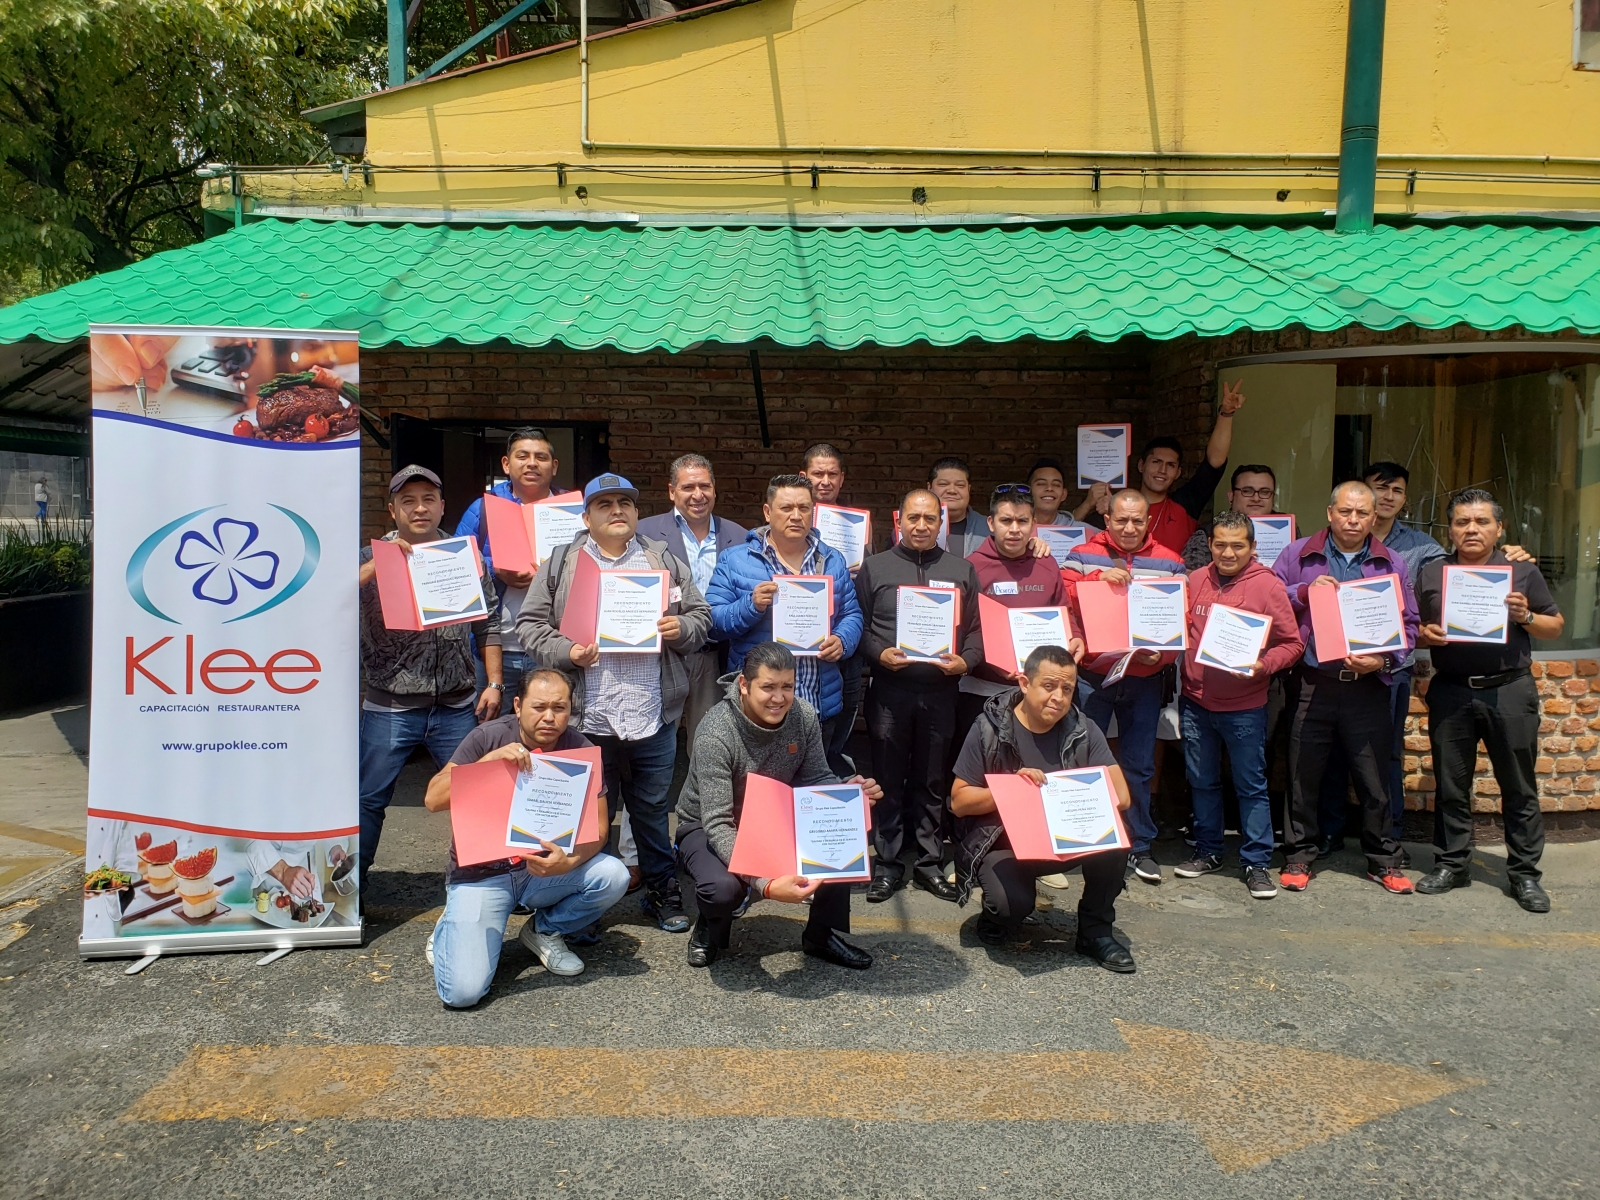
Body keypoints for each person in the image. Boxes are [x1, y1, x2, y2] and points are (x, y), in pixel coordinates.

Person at [516, 472, 713, 933]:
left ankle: (661, 890)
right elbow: (529, 625)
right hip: (589, 717)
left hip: (651, 713)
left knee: (651, 812)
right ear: (586, 517)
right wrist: (567, 651)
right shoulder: (562, 563)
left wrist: (681, 629)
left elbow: (701, 615)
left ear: (637, 512)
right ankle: (589, 902)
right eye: (604, 504)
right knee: (589, 817)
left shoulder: (662, 559)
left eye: (625, 503)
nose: (617, 510)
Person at [423, 669, 630, 1006]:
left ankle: (544, 930)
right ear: (518, 706)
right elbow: (433, 799)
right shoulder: (486, 737)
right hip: (481, 875)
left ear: (571, 709)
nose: (549, 717)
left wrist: (570, 861)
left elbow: (600, 828)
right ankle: (453, 921)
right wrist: (486, 764)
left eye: (559, 708)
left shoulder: (580, 747)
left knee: (613, 875)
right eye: (539, 707)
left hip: (540, 872)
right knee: (462, 994)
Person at [675, 641, 884, 968]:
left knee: (840, 831)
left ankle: (820, 934)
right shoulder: (716, 732)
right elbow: (717, 824)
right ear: (744, 685)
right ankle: (711, 924)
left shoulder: (803, 715)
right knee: (721, 888)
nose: (779, 698)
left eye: (787, 686)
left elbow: (817, 777)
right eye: (768, 687)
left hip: (771, 816)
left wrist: (845, 794)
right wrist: (767, 885)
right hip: (708, 823)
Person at [1414, 489, 1564, 913]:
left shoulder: (1521, 571)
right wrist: (1424, 635)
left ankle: (1524, 874)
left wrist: (1526, 617)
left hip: (1509, 689)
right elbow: (1414, 627)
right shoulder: (1433, 572)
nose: (1472, 529)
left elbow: (1555, 625)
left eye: (1482, 522)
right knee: (1451, 785)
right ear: (1450, 529)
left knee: (1518, 786)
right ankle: (1452, 864)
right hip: (1452, 689)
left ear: (1499, 528)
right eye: (1462, 522)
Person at [357, 465, 503, 890]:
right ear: (392, 510)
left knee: (474, 797)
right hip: (390, 707)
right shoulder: (367, 558)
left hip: (456, 705)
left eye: (427, 500)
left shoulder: (464, 557)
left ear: (441, 506)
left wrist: (494, 683)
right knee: (368, 800)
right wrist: (376, 568)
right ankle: (352, 891)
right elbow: (325, 602)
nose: (419, 508)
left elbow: (488, 623)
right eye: (408, 501)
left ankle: (485, 885)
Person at [1272, 481, 1419, 894]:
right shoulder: (1298, 554)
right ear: (1330, 513)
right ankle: (1299, 855)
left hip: (1367, 686)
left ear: (1374, 517)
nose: (1353, 520)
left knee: (1374, 779)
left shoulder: (1391, 563)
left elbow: (1409, 626)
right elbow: (1269, 599)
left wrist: (1383, 661)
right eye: (1345, 512)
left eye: (1362, 513)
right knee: (1302, 775)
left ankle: (1383, 860)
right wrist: (1304, 591)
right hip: (1312, 682)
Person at [949, 645, 1135, 971]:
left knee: (1116, 834)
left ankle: (1095, 932)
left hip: (1065, 838)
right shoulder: (988, 728)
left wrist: (1076, 793)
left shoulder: (1083, 728)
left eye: (1067, 689)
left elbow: (1122, 795)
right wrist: (1011, 789)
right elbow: (959, 802)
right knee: (1009, 908)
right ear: (1024, 683)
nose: (1058, 698)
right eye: (1049, 686)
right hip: (1002, 844)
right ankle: (997, 915)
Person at [856, 488, 984, 902]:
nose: (922, 526)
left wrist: (966, 661)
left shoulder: (961, 570)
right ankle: (888, 863)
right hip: (890, 690)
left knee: (932, 780)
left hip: (941, 692)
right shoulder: (875, 568)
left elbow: (977, 630)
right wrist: (878, 653)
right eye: (914, 517)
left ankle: (929, 863)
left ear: (941, 523)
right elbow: (858, 625)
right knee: (888, 779)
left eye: (930, 518)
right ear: (899, 521)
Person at [1060, 489, 1185, 884]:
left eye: (1137, 520)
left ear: (1147, 521)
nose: (1129, 527)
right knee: (1080, 758)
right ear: (1107, 520)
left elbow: (1180, 620)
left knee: (1138, 764)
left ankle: (1138, 844)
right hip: (1092, 676)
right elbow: (1062, 597)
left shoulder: (1171, 562)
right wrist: (1097, 579)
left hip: (1145, 678)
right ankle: (1081, 838)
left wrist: (1161, 657)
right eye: (1121, 520)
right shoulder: (1082, 555)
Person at [1176, 511, 1303, 898]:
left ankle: (1256, 861)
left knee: (1250, 786)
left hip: (1244, 706)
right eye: (1220, 545)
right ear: (1210, 545)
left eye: (1237, 545)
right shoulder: (1195, 580)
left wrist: (1264, 665)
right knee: (1202, 781)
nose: (1228, 553)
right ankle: (1208, 850)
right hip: (1195, 702)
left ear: (1252, 547)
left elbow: (1292, 643)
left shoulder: (1268, 586)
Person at [705, 475, 862, 772]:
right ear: (767, 512)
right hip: (758, 713)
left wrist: (842, 640)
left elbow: (851, 615)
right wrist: (750, 605)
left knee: (813, 790)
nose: (796, 516)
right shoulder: (736, 560)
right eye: (786, 508)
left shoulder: (832, 560)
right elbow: (712, 621)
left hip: (817, 706)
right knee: (757, 794)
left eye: (803, 508)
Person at [961, 482, 1084, 760]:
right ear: (991, 523)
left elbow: (1064, 611)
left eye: (1022, 521)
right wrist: (991, 660)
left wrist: (1075, 636)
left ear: (1034, 524)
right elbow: (964, 628)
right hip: (983, 691)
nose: (1014, 529)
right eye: (1006, 521)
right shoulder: (971, 567)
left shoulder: (1046, 563)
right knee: (986, 769)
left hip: (1040, 694)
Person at [636, 453, 748, 739]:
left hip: (714, 657)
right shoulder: (643, 534)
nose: (698, 495)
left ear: (714, 489)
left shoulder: (739, 536)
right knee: (657, 741)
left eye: (705, 486)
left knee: (708, 741)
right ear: (672, 491)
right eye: (688, 487)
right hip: (663, 656)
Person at [455, 427, 563, 701]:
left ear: (554, 466)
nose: (531, 463)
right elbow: (455, 568)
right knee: (491, 723)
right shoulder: (482, 509)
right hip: (494, 650)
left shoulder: (574, 511)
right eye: (522, 456)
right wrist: (495, 570)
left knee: (550, 723)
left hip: (552, 646)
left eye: (540, 457)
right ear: (506, 464)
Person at [1086, 381, 1245, 551]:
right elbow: (1074, 534)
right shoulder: (1114, 508)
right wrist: (1093, 506)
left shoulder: (1186, 503)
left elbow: (1215, 461)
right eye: (1156, 462)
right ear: (1141, 465)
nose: (1162, 470)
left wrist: (1226, 414)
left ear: (1178, 473)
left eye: (1170, 465)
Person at [802, 443, 864, 773]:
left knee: (840, 716)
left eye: (832, 474)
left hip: (842, 639)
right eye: (818, 473)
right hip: (799, 643)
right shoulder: (788, 520)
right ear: (804, 476)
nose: (825, 481)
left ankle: (829, 770)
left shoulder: (857, 525)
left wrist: (862, 569)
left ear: (842, 478)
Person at [1181, 464, 1280, 571]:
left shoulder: (1289, 530)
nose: (1256, 498)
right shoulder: (1207, 534)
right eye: (1247, 491)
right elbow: (1192, 577)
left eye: (1265, 492)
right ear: (1231, 496)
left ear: (1273, 497)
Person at [929, 457, 991, 558]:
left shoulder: (989, 529)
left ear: (968, 489)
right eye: (943, 484)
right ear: (929, 488)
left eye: (960, 485)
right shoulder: (913, 528)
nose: (952, 490)